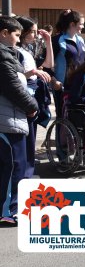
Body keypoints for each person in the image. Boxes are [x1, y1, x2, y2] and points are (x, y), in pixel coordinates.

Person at [0, 16, 39, 226]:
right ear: (4, 33)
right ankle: (9, 210)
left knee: (11, 165)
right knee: (14, 166)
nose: (18, 39)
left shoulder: (8, 54)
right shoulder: (2, 56)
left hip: (11, 118)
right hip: (6, 120)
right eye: (16, 34)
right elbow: (13, 87)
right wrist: (32, 106)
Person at [14, 16, 54, 179]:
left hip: (34, 93)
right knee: (26, 136)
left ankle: (28, 172)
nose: (36, 35)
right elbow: (14, 76)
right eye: (33, 32)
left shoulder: (29, 50)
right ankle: (24, 175)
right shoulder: (15, 51)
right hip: (25, 94)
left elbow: (48, 64)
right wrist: (33, 72)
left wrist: (48, 41)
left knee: (31, 135)